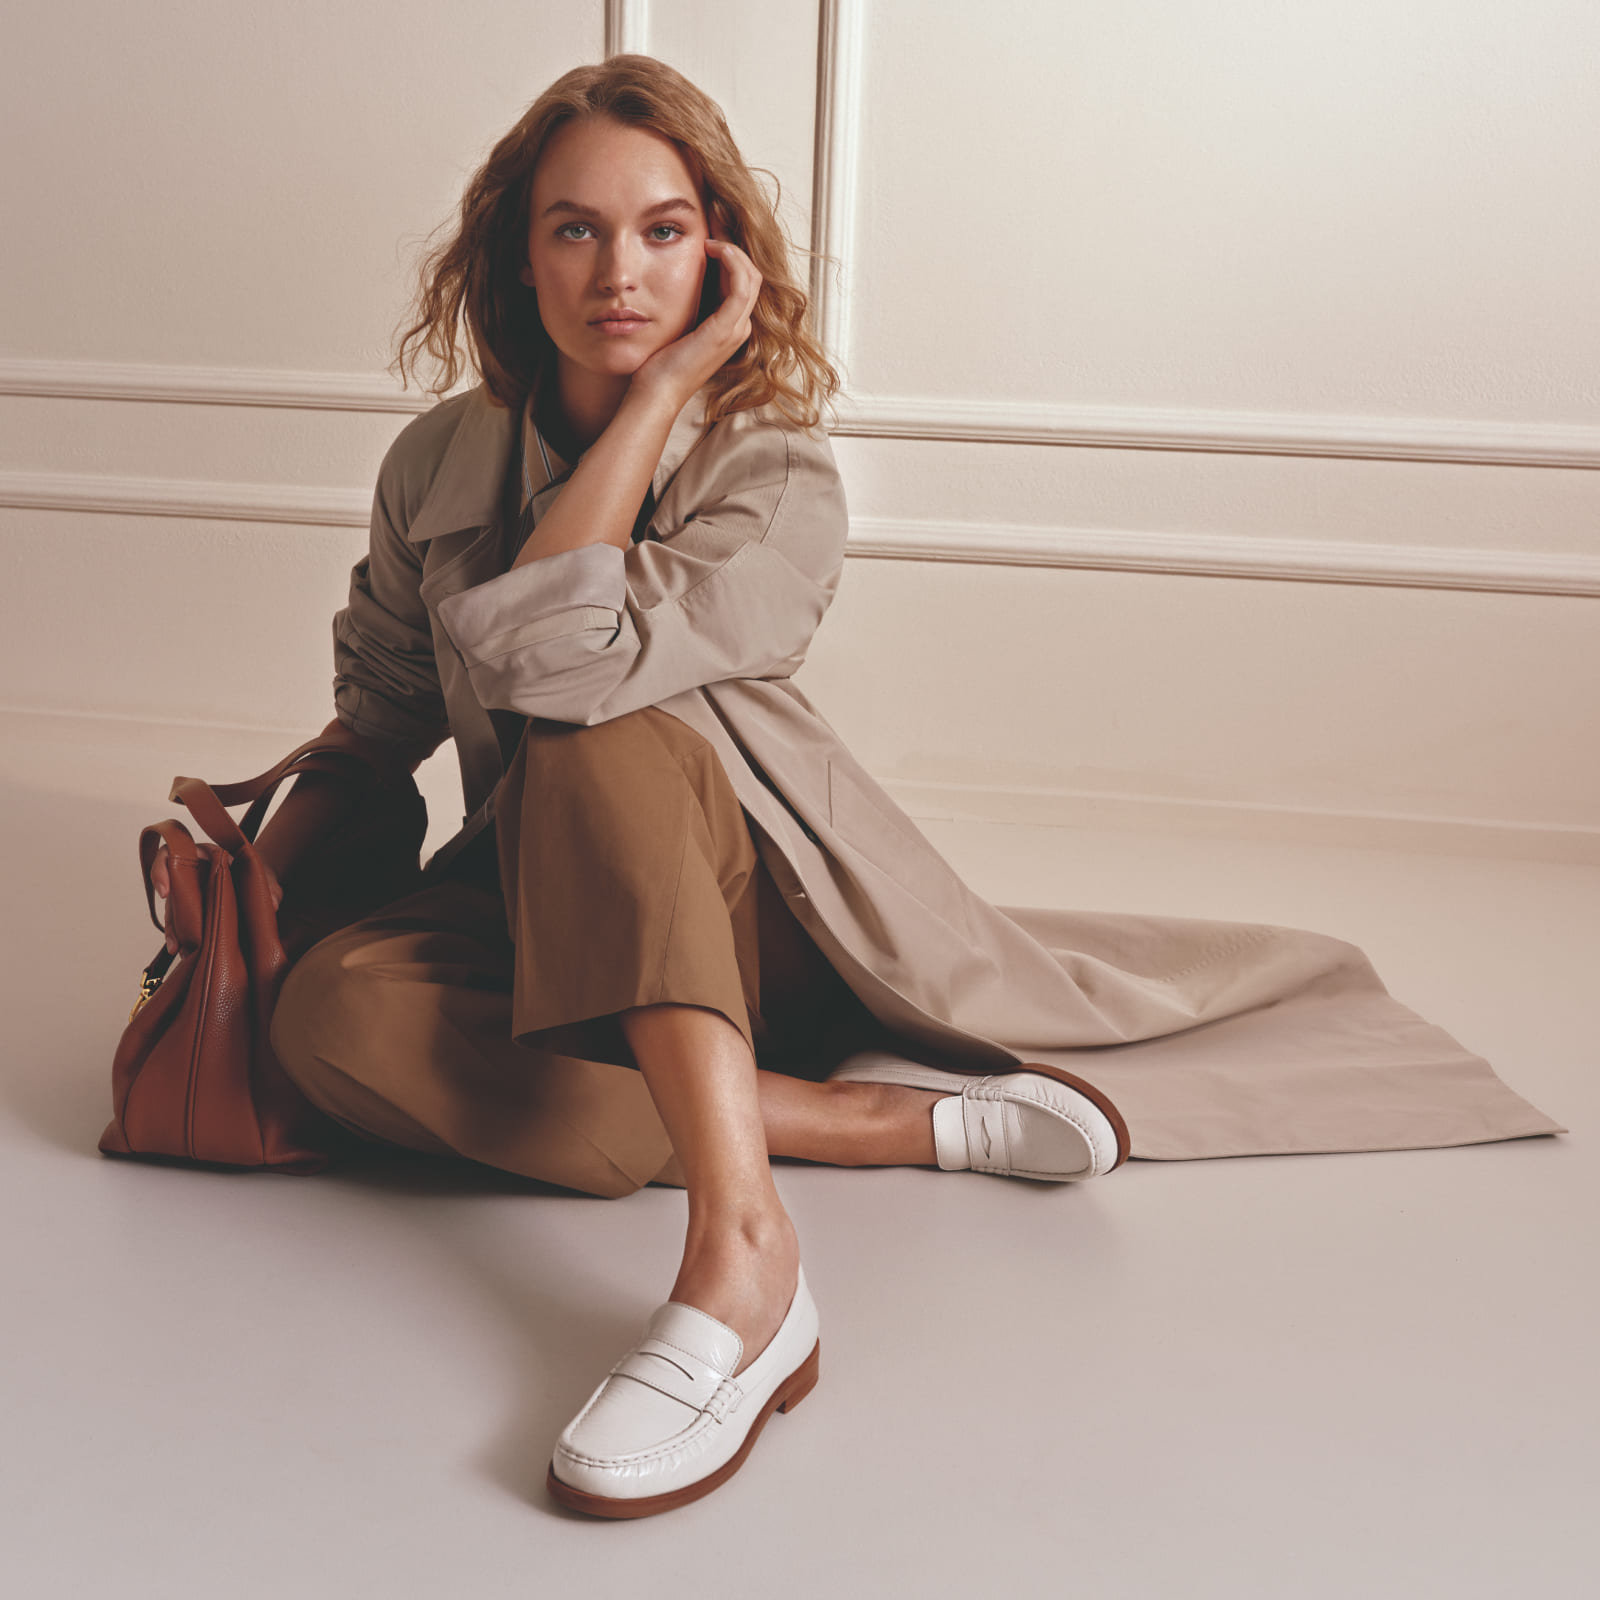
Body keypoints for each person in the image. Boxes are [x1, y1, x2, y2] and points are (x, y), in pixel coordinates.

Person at [146, 54, 1558, 1518]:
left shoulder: (776, 472)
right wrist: (244, 906)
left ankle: (744, 1257)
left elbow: (561, 666)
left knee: (594, 737)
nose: (618, 272)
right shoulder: (439, 460)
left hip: (750, 926)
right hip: (536, 906)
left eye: (663, 230)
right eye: (575, 229)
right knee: (332, 1022)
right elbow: (380, 716)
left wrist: (667, 390)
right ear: (519, 251)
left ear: (719, 252)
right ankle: (861, 1123)